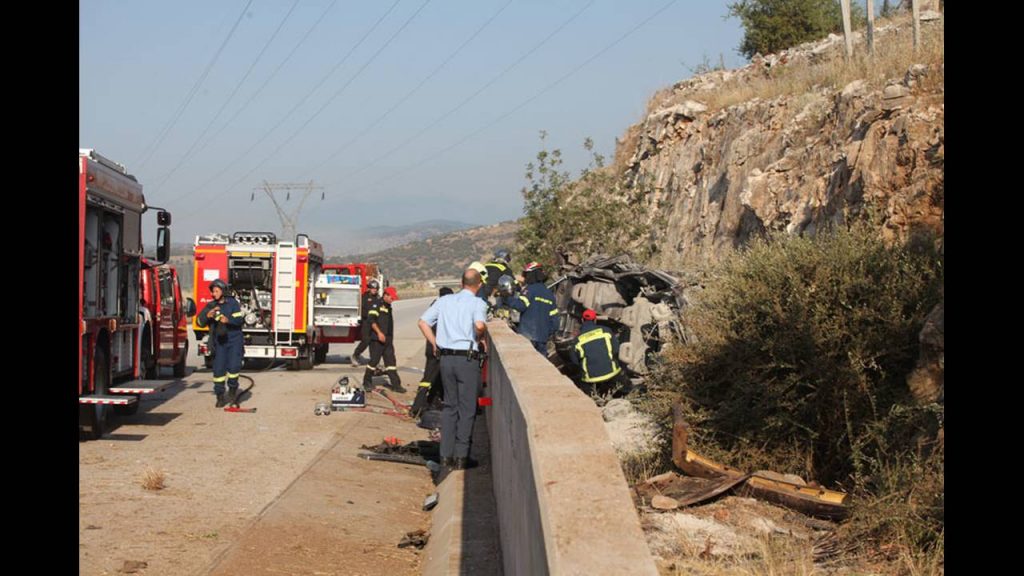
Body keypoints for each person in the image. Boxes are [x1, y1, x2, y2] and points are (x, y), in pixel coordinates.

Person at [418, 268, 489, 470]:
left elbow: (422, 322)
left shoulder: (445, 301)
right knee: (467, 409)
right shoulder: (478, 303)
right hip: (467, 360)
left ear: (461, 282)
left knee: (450, 407)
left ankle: (445, 457)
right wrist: (480, 337)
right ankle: (461, 457)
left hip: (446, 359)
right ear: (479, 284)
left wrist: (434, 344)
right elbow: (480, 325)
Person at [196, 279, 245, 407]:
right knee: (218, 371)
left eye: (216, 291)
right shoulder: (211, 305)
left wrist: (228, 320)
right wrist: (208, 315)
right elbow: (199, 322)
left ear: (223, 291)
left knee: (234, 368)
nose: (213, 294)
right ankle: (220, 396)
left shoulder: (233, 304)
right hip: (220, 343)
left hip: (234, 340)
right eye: (212, 292)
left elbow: (239, 320)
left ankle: (233, 393)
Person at [568, 308, 633, 397]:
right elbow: (616, 350)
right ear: (595, 320)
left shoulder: (577, 341)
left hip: (591, 380)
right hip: (611, 374)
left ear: (582, 320)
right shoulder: (606, 331)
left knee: (585, 393)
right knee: (626, 388)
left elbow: (575, 361)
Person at [410, 286, 454, 417]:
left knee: (437, 377)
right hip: (437, 347)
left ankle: (432, 402)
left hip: (433, 346)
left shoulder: (435, 305)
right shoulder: (444, 308)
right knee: (429, 377)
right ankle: (417, 407)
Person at [508, 261, 559, 355]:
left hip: (527, 336)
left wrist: (508, 298)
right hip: (542, 339)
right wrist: (546, 333)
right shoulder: (549, 294)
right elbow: (555, 322)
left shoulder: (529, 290)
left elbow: (520, 306)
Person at [362, 286, 406, 393]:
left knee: (391, 362)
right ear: (385, 295)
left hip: (388, 339)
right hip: (377, 339)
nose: (393, 299)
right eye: (391, 297)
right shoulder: (376, 304)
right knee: (374, 362)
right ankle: (367, 382)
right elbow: (371, 321)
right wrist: (379, 333)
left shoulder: (388, 306)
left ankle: (396, 385)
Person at [351, 279, 381, 366]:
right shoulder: (364, 297)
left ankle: (374, 361)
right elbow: (361, 310)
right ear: (369, 288)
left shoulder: (378, 299)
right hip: (366, 322)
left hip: (375, 323)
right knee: (366, 340)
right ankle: (355, 355)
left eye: (376, 288)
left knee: (374, 341)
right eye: (372, 288)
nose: (374, 290)